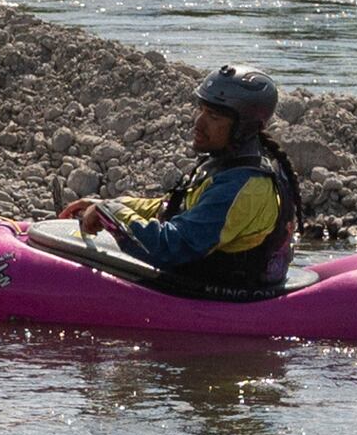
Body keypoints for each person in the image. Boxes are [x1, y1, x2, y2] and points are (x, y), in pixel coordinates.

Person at [63, 65, 298, 298]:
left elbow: (170, 248)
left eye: (214, 116)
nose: (199, 123)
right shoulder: (229, 164)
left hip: (224, 299)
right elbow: (174, 208)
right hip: (205, 280)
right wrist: (110, 204)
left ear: (244, 128)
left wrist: (110, 214)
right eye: (202, 110)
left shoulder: (246, 187)